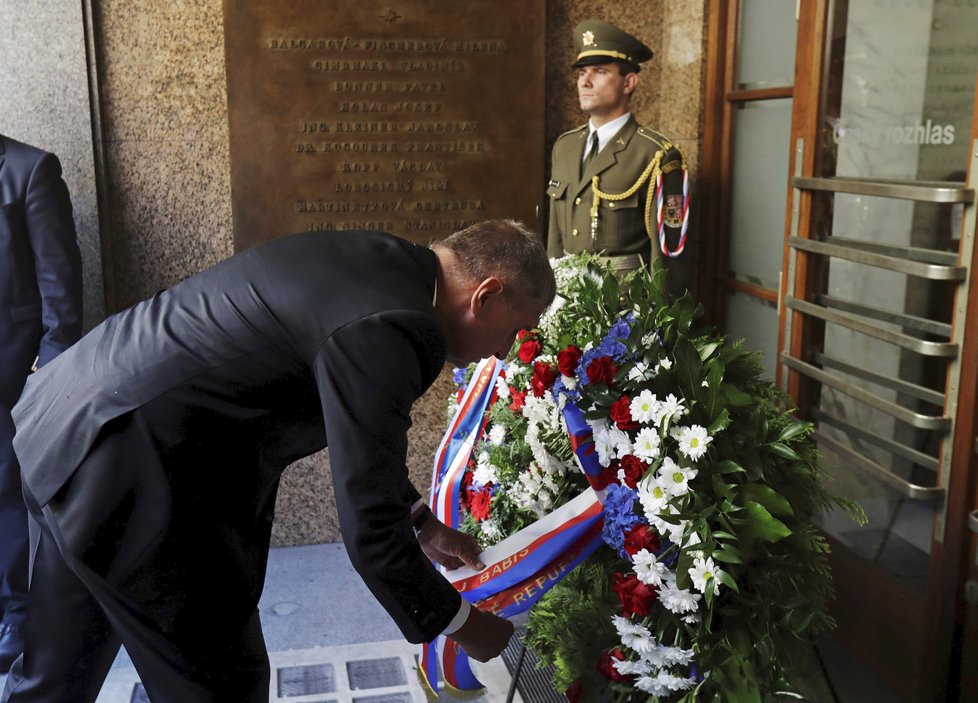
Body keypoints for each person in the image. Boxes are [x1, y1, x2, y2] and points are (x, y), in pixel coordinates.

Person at [2, 220, 554, 702]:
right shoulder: (398, 325)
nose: (503, 351)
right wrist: (462, 624)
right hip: (134, 480)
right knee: (221, 685)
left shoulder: (383, 264)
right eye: (512, 331)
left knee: (54, 677)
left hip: (68, 427)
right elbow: (370, 533)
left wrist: (423, 523)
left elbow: (363, 447)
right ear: (484, 294)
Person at [0, 133, 83, 673]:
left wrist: (40, 387)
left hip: (10, 385)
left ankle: (16, 618)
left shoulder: (29, 170)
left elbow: (61, 302)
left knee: (7, 499)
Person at [546, 20, 688, 272]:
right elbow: (555, 237)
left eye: (599, 72)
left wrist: (659, 309)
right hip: (566, 295)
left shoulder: (656, 154)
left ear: (628, 83)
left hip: (624, 301)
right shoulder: (565, 146)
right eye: (581, 73)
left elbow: (668, 250)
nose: (585, 82)